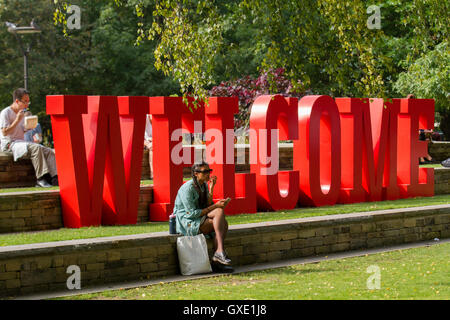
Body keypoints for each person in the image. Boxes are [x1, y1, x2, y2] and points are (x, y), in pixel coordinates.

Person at [174, 161, 232, 265]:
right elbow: (191, 214)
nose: (208, 174)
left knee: (220, 213)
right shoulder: (188, 189)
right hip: (187, 221)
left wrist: (211, 188)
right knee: (223, 223)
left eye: (209, 171)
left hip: (199, 215)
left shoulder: (203, 185)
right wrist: (215, 206)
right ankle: (218, 255)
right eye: (205, 172)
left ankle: (219, 253)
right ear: (196, 173)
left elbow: (206, 205)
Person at [0, 88, 58, 187]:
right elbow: (5, 132)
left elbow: (20, 130)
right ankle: (41, 179)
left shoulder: (22, 113)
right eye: (25, 101)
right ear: (17, 101)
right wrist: (17, 120)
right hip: (10, 144)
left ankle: (55, 178)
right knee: (36, 148)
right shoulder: (6, 113)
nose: (27, 104)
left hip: (21, 143)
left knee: (48, 150)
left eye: (28, 101)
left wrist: (29, 127)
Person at [407, 94, 433, 164]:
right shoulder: (406, 109)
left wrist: (427, 129)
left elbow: (420, 122)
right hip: (407, 130)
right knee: (420, 135)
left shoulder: (415, 110)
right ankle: (423, 157)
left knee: (422, 134)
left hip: (416, 129)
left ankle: (423, 157)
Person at [144, 115, 153, 179]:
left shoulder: (160, 119)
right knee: (152, 147)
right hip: (146, 142)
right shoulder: (145, 117)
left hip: (155, 141)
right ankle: (153, 173)